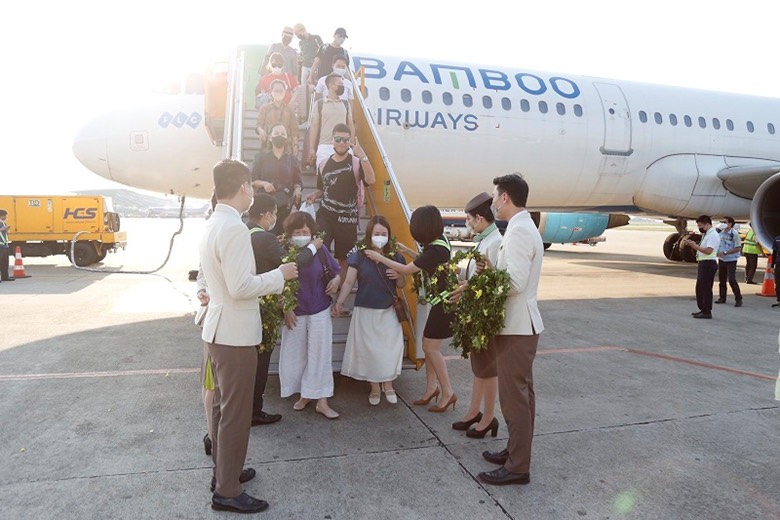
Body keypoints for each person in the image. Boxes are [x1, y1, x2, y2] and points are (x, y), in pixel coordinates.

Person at [199, 159, 298, 513]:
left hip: (217, 328)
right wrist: (281, 275)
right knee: (236, 414)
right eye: (252, 188)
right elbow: (241, 287)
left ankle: (226, 473)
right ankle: (227, 489)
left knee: (224, 410)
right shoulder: (235, 229)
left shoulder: (214, 222)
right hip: (235, 334)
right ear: (243, 188)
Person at [477, 173, 544, 487]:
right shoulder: (523, 226)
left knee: (513, 398)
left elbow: (514, 283)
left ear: (505, 198)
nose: (492, 201)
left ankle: (518, 466)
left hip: (517, 326)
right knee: (522, 396)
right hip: (521, 324)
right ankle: (516, 452)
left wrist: (488, 276)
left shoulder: (517, 231)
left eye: (494, 196)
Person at [365, 205, 457, 413]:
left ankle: (448, 392)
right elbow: (428, 261)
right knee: (428, 348)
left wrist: (379, 257)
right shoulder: (440, 243)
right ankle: (432, 389)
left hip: (443, 304)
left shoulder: (436, 249)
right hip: (439, 302)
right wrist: (408, 251)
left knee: (430, 348)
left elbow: (407, 270)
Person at [246, 194, 325, 426]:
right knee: (261, 361)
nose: (275, 219)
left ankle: (247, 408)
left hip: (248, 304)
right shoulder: (264, 238)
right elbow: (292, 263)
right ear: (267, 214)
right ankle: (254, 411)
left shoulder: (245, 231)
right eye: (274, 214)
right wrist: (312, 247)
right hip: (264, 307)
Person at [335, 216, 407, 405]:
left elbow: (402, 284)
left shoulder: (395, 256)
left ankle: (388, 384)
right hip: (365, 310)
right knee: (370, 351)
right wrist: (339, 302)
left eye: (384, 234)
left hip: (388, 310)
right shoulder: (359, 255)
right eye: (376, 234)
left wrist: (399, 275)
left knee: (390, 349)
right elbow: (349, 281)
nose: (380, 237)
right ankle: (375, 387)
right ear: (369, 235)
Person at [278, 211, 342, 419]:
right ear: (289, 234)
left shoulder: (320, 251)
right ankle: (305, 393)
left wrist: (337, 281)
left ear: (312, 232)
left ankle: (321, 400)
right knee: (297, 354)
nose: (302, 235)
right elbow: (276, 282)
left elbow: (337, 271)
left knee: (320, 354)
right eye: (297, 232)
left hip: (319, 308)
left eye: (305, 231)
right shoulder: (284, 252)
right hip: (295, 312)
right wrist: (285, 307)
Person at [451, 193, 502, 439]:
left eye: (469, 219)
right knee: (479, 367)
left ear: (480, 218)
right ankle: (474, 412)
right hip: (476, 314)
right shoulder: (485, 239)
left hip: (485, 316)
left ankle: (489, 418)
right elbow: (476, 275)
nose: (468, 224)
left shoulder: (495, 242)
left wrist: (466, 288)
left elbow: (494, 281)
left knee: (488, 370)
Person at [306, 123, 374, 275]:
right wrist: (315, 195)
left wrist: (362, 155)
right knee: (320, 251)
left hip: (347, 219)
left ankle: (340, 297)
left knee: (345, 260)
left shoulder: (356, 162)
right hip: (326, 215)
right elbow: (323, 189)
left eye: (345, 140)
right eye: (338, 139)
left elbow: (371, 179)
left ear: (350, 141)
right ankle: (323, 288)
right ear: (332, 140)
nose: (342, 143)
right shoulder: (323, 164)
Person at [251, 123, 302, 235]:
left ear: (287, 138)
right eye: (276, 133)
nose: (280, 136)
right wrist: (264, 183)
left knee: (283, 238)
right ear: (270, 137)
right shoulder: (260, 157)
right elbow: (253, 179)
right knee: (265, 238)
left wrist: (297, 190)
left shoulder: (292, 159)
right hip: (265, 207)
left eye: (283, 134)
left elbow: (297, 181)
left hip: (285, 206)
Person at [307, 75, 355, 168]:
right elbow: (314, 127)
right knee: (324, 178)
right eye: (340, 84)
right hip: (325, 147)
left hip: (344, 146)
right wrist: (312, 148)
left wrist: (352, 144)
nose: (342, 87)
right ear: (331, 85)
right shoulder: (319, 104)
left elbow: (350, 125)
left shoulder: (346, 104)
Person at [684, 215, 720, 319]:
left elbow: (709, 251)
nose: (700, 228)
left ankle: (707, 311)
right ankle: (703, 309)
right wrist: (693, 244)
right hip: (704, 263)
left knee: (706, 288)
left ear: (707, 224)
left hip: (708, 264)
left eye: (701, 226)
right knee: (700, 288)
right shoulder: (707, 234)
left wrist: (694, 246)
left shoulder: (713, 235)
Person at [255, 81, 299, 150]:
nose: (278, 93)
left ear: (284, 92)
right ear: (271, 92)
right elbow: (259, 125)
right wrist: (260, 130)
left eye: (281, 90)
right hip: (268, 146)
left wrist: (295, 145)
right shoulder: (265, 108)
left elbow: (294, 130)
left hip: (286, 147)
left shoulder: (290, 110)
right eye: (276, 90)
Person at [714, 216, 743, 307]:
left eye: (725, 222)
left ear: (730, 224)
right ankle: (722, 297)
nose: (723, 224)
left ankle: (738, 299)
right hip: (722, 260)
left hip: (731, 260)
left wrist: (726, 253)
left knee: (731, 279)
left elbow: (738, 248)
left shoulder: (734, 234)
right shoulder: (720, 233)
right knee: (722, 280)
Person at [0, 209, 13, 282]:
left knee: (5, 263)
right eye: (5, 215)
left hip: (5, 245)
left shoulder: (4, 223)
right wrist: (1, 229)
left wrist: (7, 230)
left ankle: (5, 277)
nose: (6, 217)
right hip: (0, 246)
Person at [772, 233, 780, 308]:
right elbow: (774, 253)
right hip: (778, 264)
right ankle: (779, 300)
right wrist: (772, 266)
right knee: (778, 283)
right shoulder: (777, 239)